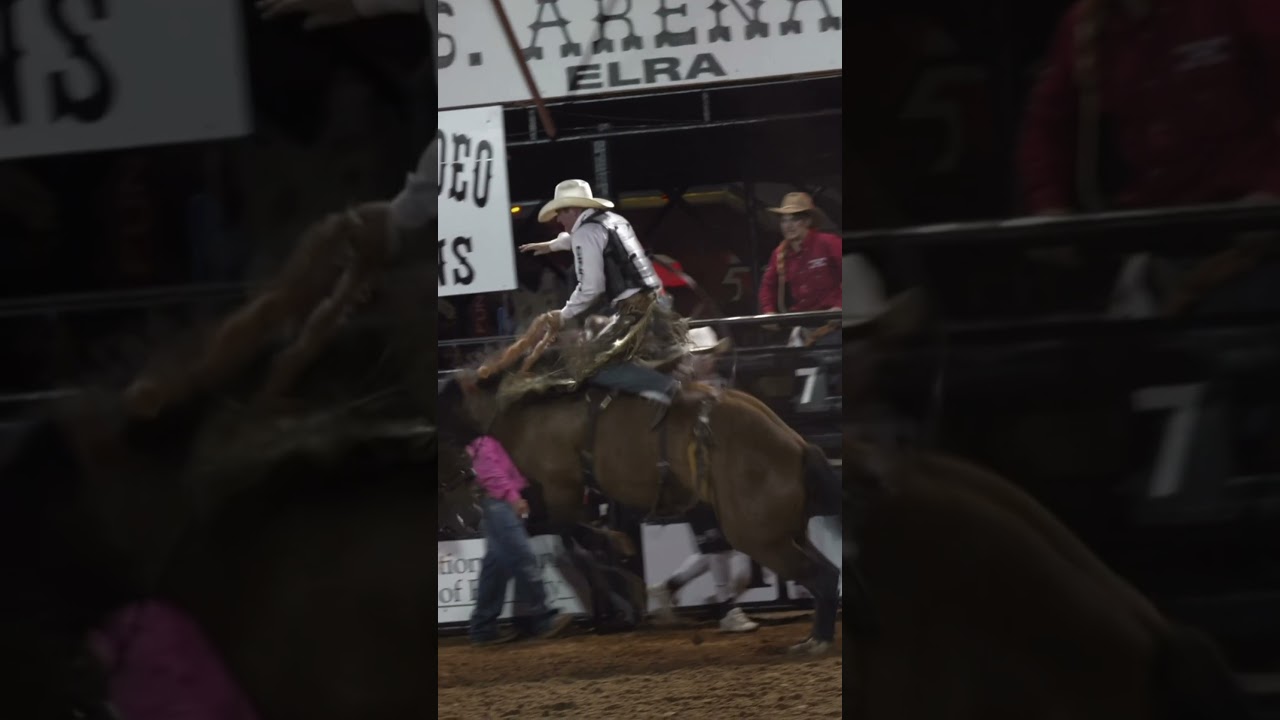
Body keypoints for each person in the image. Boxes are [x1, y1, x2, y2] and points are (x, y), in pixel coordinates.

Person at [1018, 0, 1280, 316]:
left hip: (1253, 252)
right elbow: (1046, 126)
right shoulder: (1085, 28)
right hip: (1153, 254)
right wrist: (1048, 206)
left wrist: (1273, 189)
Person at [504, 180, 688, 402]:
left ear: (574, 210)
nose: (558, 219)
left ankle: (667, 388)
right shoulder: (612, 221)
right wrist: (551, 245)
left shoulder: (586, 233)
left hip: (637, 310)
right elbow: (582, 240)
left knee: (591, 366)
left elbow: (591, 288)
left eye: (560, 213)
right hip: (656, 302)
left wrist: (564, 315)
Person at [459, 428, 576, 646]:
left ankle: (483, 627)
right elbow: (490, 471)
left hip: (496, 501)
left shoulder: (482, 437)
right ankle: (543, 618)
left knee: (496, 566)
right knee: (522, 557)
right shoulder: (479, 439)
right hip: (498, 501)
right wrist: (513, 497)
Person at [757, 192, 843, 344]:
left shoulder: (828, 243)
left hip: (834, 324)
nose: (788, 225)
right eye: (784, 220)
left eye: (795, 219)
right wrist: (768, 311)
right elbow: (768, 286)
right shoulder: (779, 254)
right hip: (804, 325)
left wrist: (840, 305)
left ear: (807, 221)